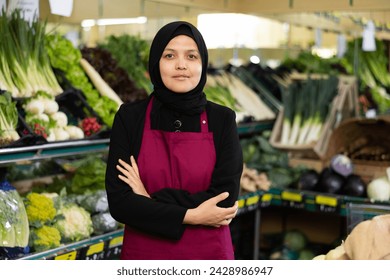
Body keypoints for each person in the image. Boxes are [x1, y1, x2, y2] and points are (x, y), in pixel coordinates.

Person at [105, 21, 243, 260]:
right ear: (155, 63)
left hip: (208, 255)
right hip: (145, 256)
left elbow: (224, 199)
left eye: (191, 56)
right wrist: (193, 215)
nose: (181, 65)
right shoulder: (130, 117)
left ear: (203, 64)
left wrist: (149, 198)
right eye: (169, 55)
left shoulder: (222, 119)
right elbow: (120, 203)